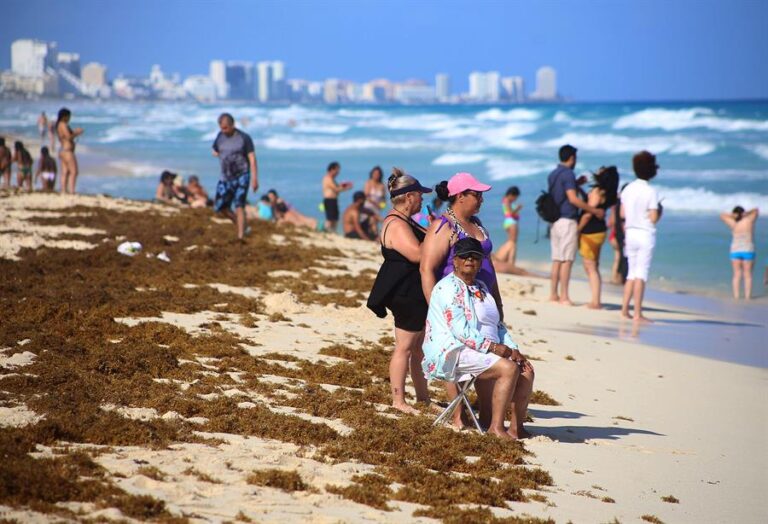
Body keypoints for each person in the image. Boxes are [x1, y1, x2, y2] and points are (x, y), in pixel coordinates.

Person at [422, 237, 535, 440]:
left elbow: (498, 325)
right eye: (464, 256)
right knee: (508, 368)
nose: (470, 260)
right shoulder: (448, 288)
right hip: (453, 350)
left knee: (526, 371)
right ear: (455, 260)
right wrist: (493, 347)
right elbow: (460, 331)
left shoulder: (482, 286)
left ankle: (517, 428)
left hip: (483, 349)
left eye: (475, 257)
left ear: (481, 262)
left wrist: (512, 348)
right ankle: (496, 428)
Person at [420, 172, 503, 428]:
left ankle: (488, 418)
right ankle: (459, 416)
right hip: (455, 303)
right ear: (460, 196)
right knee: (458, 354)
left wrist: (497, 302)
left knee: (487, 353)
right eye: (476, 195)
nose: (481, 199)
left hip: (482, 299)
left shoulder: (478, 225)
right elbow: (427, 268)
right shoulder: (443, 226)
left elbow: (489, 265)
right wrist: (437, 307)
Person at [367, 168, 434, 414]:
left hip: (409, 290)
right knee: (405, 347)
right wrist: (435, 234)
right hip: (405, 292)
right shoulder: (396, 224)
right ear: (409, 197)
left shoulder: (402, 221)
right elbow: (417, 254)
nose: (423, 200)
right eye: (420, 195)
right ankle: (398, 400)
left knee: (417, 349)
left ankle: (423, 398)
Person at [546, 145, 605, 305]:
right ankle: (564, 296)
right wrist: (594, 210)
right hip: (567, 219)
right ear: (572, 158)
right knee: (567, 260)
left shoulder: (553, 174)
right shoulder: (568, 174)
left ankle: (553, 295)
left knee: (557, 259)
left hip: (554, 220)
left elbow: (560, 194)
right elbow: (572, 199)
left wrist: (576, 184)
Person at [620, 151, 662, 322]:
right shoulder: (651, 191)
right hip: (645, 233)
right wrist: (660, 211)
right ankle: (637, 313)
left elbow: (622, 213)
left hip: (630, 232)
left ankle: (624, 310)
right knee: (641, 274)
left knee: (631, 273)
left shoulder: (628, 188)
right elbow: (653, 218)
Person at [212, 113, 258, 241]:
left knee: (239, 205)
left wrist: (254, 178)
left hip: (242, 176)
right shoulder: (220, 137)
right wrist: (219, 154)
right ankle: (241, 225)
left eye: (226, 128)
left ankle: (240, 237)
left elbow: (252, 159)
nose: (223, 130)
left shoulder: (244, 138)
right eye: (221, 128)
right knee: (220, 208)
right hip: (225, 177)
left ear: (233, 125)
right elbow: (215, 150)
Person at [578, 167, 619, 309]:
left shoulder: (597, 191)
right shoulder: (607, 193)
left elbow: (588, 213)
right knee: (594, 265)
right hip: (600, 231)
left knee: (591, 267)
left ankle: (595, 302)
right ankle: (596, 299)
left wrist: (577, 230)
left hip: (590, 231)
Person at [720, 206, 759, 300]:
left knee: (737, 274)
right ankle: (747, 297)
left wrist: (733, 216)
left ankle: (736, 297)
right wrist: (747, 213)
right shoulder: (749, 221)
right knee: (748, 275)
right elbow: (756, 210)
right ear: (743, 213)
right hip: (748, 249)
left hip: (735, 250)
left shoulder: (732, 223)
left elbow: (722, 215)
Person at [56, 108, 84, 194]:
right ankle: (72, 190)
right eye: (69, 116)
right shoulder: (63, 125)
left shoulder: (59, 125)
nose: (69, 118)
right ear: (65, 116)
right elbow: (68, 137)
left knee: (65, 172)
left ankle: (64, 190)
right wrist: (77, 132)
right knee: (74, 171)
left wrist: (74, 132)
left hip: (63, 150)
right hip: (67, 151)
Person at [322, 161, 352, 232]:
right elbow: (336, 189)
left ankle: (332, 232)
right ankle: (326, 231)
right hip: (329, 200)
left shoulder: (332, 179)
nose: (338, 172)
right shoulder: (327, 178)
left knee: (335, 219)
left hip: (333, 200)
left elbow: (337, 187)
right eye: (337, 170)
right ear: (332, 169)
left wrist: (344, 185)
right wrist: (347, 188)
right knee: (330, 219)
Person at [364, 165, 387, 232]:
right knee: (372, 221)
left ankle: (374, 236)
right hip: (368, 207)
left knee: (374, 222)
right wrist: (376, 203)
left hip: (377, 208)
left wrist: (382, 206)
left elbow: (384, 199)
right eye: (375, 173)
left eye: (378, 174)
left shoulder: (382, 185)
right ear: (372, 174)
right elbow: (366, 196)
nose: (376, 175)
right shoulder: (368, 183)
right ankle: (375, 236)